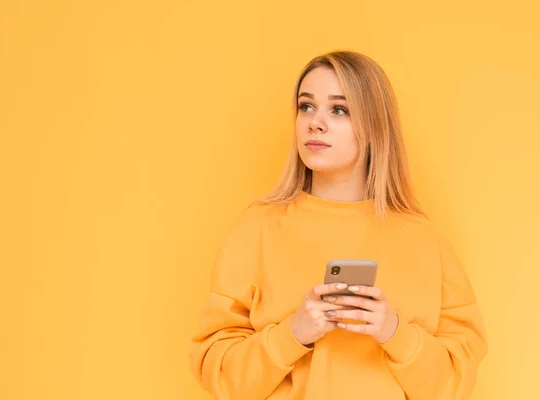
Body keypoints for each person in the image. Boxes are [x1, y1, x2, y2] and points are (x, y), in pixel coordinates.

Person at [188, 50, 488, 400]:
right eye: (306, 106)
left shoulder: (425, 241)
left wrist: (393, 331)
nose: (315, 122)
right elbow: (217, 371)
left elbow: (456, 381)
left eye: (340, 109)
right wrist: (294, 333)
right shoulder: (257, 228)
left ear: (375, 126)